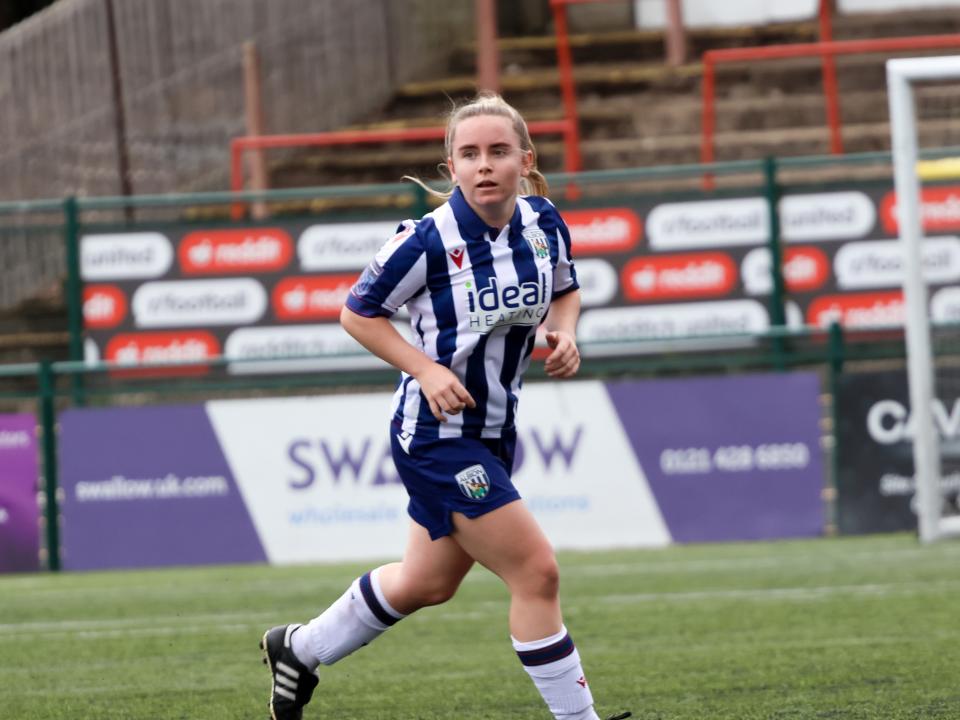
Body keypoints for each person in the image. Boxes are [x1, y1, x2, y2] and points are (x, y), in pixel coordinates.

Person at [260, 92, 630, 720]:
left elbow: (566, 289)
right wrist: (426, 369)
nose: (484, 164)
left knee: (427, 582)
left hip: (493, 431)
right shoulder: (426, 240)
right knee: (536, 572)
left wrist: (564, 334)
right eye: (470, 153)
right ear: (450, 166)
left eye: (499, 151)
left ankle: (300, 648)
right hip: (437, 435)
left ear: (525, 160)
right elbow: (357, 314)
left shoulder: (543, 223)